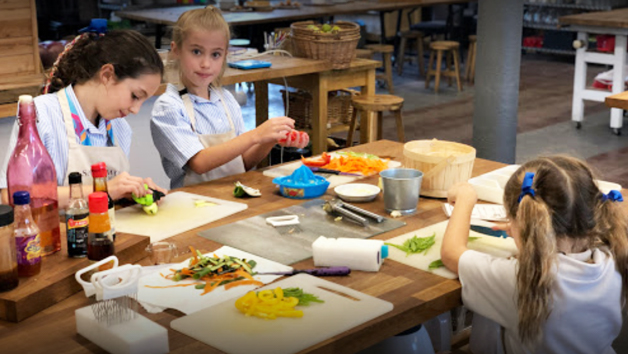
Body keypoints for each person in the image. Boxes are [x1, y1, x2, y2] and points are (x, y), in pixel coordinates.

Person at [441, 156, 627, 354]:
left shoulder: (524, 279)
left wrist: (464, 200)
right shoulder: (614, 256)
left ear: (524, 220)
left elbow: (451, 253)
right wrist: (526, 231)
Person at [0, 26, 168, 208]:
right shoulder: (41, 114)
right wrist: (103, 191)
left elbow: (111, 198)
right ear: (107, 75)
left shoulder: (119, 128)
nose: (136, 109)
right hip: (53, 233)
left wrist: (130, 191)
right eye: (135, 96)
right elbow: (13, 195)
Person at [151, 6, 306, 189]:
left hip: (234, 196)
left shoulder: (225, 100)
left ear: (225, 55)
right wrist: (256, 135)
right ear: (176, 50)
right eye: (196, 52)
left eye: (215, 54)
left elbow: (244, 163)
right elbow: (199, 163)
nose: (206, 64)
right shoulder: (168, 107)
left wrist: (270, 138)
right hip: (192, 204)